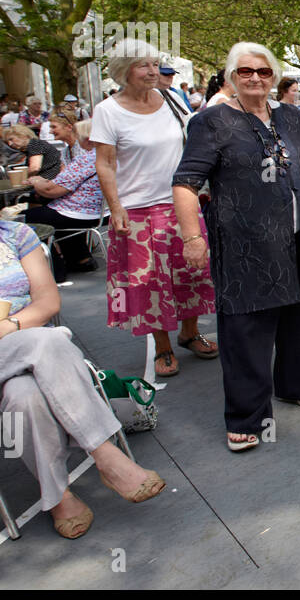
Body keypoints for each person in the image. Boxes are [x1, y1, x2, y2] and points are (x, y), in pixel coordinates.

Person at [0, 162, 165, 539]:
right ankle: (105, 453)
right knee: (50, 340)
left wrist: (5, 327)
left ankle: (57, 497)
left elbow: (48, 301)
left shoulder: (14, 235)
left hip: (26, 348)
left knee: (26, 391)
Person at [173, 42, 300, 452]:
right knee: (247, 327)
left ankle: (297, 385)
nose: (255, 78)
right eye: (245, 72)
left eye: (263, 71)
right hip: (245, 242)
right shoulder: (211, 123)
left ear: (274, 76)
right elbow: (185, 183)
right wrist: (192, 238)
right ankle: (247, 417)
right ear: (231, 77)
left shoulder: (292, 116)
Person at [91, 38, 216, 378]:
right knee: (150, 284)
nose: (151, 70)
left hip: (182, 202)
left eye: (154, 63)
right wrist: (115, 207)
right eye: (142, 65)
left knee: (191, 273)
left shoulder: (171, 100)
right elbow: (104, 163)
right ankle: (162, 347)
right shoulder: (108, 111)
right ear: (123, 72)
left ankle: (190, 333)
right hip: (137, 209)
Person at [24, 119, 103, 274]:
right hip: (99, 210)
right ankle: (81, 260)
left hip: (80, 212)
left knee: (24, 218)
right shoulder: (109, 155)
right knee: (49, 210)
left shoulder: (87, 158)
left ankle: (56, 269)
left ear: (87, 139)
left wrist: (36, 181)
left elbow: (51, 190)